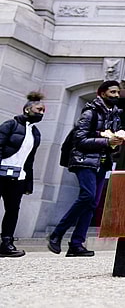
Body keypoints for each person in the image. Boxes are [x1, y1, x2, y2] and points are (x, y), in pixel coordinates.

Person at [48, 80, 125, 257]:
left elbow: (110, 142)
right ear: (103, 93)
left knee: (92, 203)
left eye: (118, 93)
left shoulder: (115, 116)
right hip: (84, 160)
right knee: (87, 196)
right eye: (113, 92)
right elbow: (79, 140)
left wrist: (116, 142)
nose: (116, 96)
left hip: (102, 161)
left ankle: (76, 244)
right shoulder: (90, 112)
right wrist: (106, 141)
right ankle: (57, 233)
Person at [0, 91, 45, 257]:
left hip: (18, 177)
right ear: (27, 109)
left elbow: (30, 160)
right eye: (38, 109)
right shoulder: (10, 125)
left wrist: (28, 183)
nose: (41, 113)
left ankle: (6, 243)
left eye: (43, 111)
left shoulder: (35, 133)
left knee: (12, 210)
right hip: (1, 173)